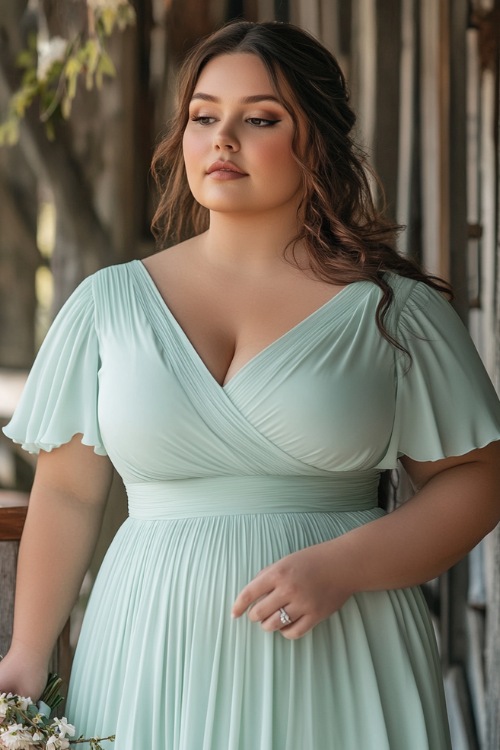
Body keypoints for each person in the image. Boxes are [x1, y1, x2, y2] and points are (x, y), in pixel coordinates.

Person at [1, 19, 500, 750]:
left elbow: (478, 480)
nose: (222, 140)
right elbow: (70, 492)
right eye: (205, 117)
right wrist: (25, 654)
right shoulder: (107, 306)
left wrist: (343, 567)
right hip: (146, 650)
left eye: (259, 119)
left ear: (318, 142)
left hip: (342, 651)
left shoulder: (393, 312)